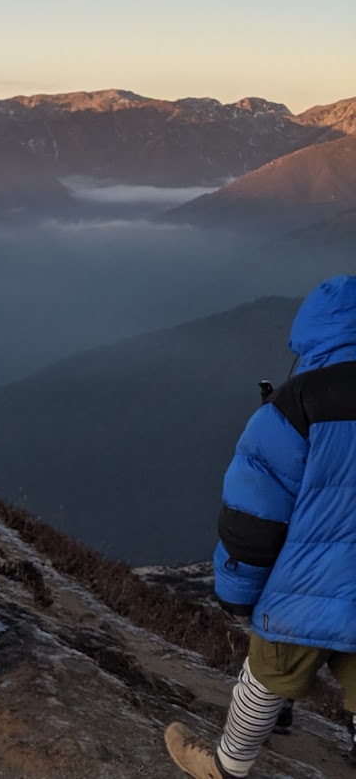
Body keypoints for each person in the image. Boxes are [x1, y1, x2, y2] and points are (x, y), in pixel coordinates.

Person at [165, 275, 356, 778]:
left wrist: (237, 594)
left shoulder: (294, 405)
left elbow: (253, 515)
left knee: (265, 677)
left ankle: (225, 768)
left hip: (304, 587)